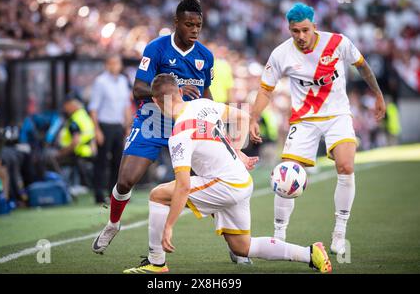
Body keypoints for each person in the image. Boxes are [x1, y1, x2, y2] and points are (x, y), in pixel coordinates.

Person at [123, 73, 332, 273]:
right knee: (242, 247)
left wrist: (168, 226)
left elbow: (183, 186)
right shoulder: (202, 104)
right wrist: (237, 151)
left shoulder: (179, 134)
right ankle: (310, 253)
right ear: (179, 90)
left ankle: (156, 262)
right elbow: (242, 116)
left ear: (156, 102)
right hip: (240, 179)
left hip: (225, 184)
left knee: (157, 195)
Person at [249, 3, 386, 255]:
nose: (300, 37)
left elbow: (363, 66)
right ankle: (279, 236)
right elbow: (265, 89)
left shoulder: (338, 43)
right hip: (304, 120)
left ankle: (339, 232)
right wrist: (253, 117)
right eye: (294, 32)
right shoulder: (281, 54)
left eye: (304, 30)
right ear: (289, 30)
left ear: (315, 26)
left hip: (337, 115)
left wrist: (377, 95)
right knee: (285, 175)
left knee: (345, 166)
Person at [92, 0, 216, 252]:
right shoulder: (157, 49)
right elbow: (138, 89)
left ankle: (233, 240)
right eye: (189, 25)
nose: (194, 30)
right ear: (176, 23)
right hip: (153, 120)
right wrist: (174, 92)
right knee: (125, 180)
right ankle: (113, 224)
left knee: (213, 181)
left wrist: (215, 121)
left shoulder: (205, 56)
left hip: (188, 125)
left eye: (198, 25)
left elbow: (207, 93)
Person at [89, 54, 132, 204]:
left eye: (117, 63)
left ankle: (115, 194)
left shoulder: (122, 81)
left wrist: (127, 125)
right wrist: (97, 130)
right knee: (101, 162)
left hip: (118, 126)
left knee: (117, 162)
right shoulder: (100, 82)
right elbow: (93, 108)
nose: (115, 66)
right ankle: (99, 195)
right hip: (104, 125)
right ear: (106, 65)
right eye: (112, 63)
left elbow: (126, 105)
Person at [45, 96, 96, 181]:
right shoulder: (84, 116)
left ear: (72, 105)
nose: (65, 109)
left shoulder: (75, 120)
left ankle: (61, 184)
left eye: (66, 106)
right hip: (87, 152)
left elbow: (75, 142)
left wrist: (61, 153)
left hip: (77, 153)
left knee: (50, 157)